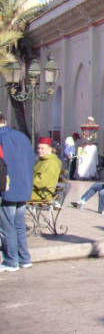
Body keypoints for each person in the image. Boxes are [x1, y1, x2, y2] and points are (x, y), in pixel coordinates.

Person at [0, 112, 36, 271]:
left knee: (6, 227)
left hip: (6, 188)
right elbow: (32, 160)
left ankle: (10, 261)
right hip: (24, 186)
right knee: (19, 225)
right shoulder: (22, 137)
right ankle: (24, 259)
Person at [31, 137, 62, 202]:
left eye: (42, 148)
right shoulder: (43, 160)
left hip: (40, 194)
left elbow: (41, 182)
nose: (39, 150)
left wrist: (25, 181)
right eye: (38, 148)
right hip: (35, 191)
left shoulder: (52, 163)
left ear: (50, 149)